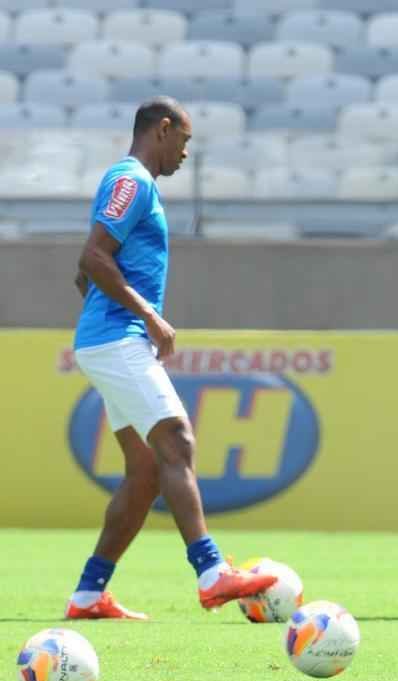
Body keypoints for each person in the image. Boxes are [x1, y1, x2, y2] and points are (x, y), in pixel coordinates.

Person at [66, 97, 277, 620]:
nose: (185, 153)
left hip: (110, 337)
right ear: (162, 130)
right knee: (177, 440)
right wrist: (149, 317)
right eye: (183, 141)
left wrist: (105, 300)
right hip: (119, 338)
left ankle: (89, 594)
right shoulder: (132, 181)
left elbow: (87, 264)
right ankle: (211, 573)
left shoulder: (137, 185)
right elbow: (93, 257)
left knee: (145, 472)